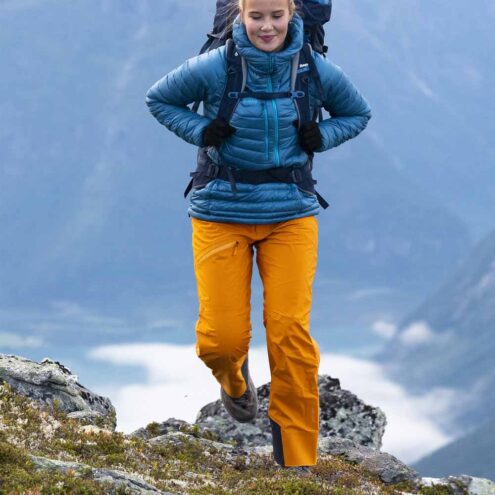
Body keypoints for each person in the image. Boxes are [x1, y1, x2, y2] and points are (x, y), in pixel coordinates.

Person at [145, 0, 371, 475]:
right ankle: (233, 382)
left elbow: (357, 113)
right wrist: (203, 129)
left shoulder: (313, 69)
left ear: (292, 13)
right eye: (257, 16)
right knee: (220, 342)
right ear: (240, 16)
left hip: (291, 213)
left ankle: (297, 463)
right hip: (220, 212)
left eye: (276, 15)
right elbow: (159, 99)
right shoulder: (214, 65)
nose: (267, 26)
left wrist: (321, 136)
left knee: (290, 335)